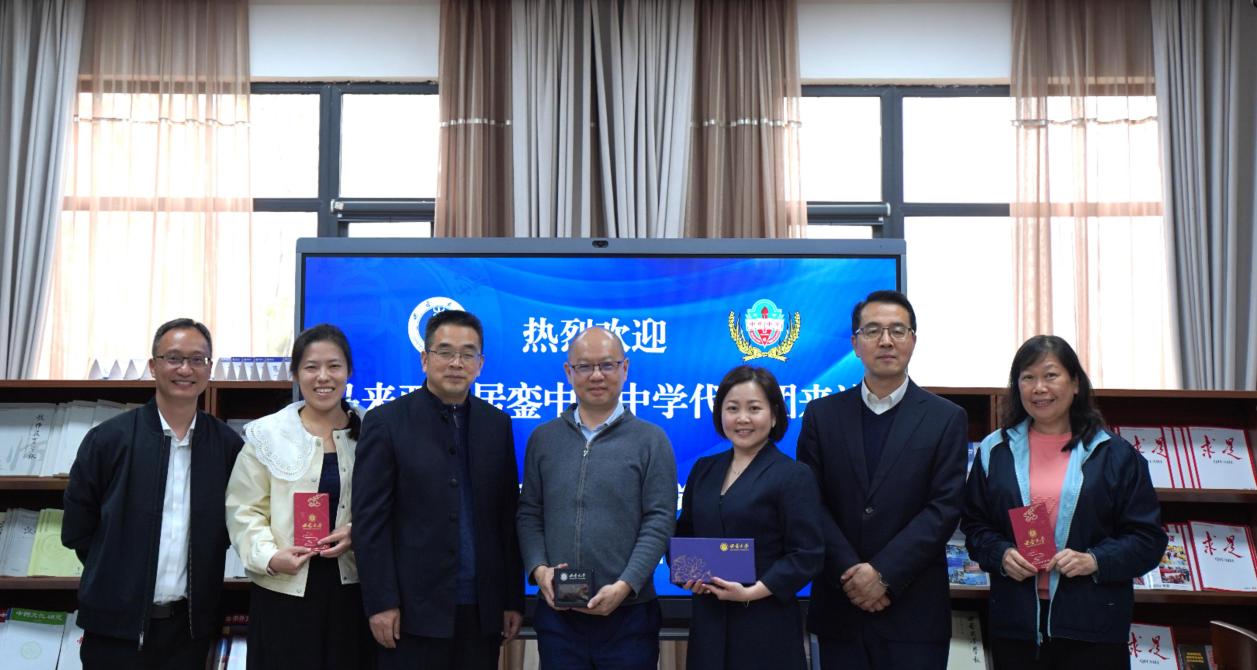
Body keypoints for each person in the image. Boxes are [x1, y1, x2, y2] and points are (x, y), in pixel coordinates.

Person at [960, 335, 1167, 669]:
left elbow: (1148, 539)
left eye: (1051, 375)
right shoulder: (994, 450)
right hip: (1016, 626)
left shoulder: (1114, 454)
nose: (1039, 388)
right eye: (1028, 377)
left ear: (1075, 384)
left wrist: (1094, 560)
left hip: (1092, 626)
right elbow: (975, 526)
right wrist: (1001, 554)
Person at [797, 289, 968, 670]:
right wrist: (853, 576)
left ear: (913, 340)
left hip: (913, 611)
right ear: (855, 344)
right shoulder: (822, 415)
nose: (886, 340)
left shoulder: (946, 418)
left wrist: (883, 574)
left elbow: (944, 508)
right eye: (873, 330)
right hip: (841, 607)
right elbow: (810, 503)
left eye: (897, 330)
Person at [62, 318, 243, 669]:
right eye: (173, 358)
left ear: (209, 368)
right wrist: (118, 573)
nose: (185, 369)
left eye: (197, 359)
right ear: (153, 365)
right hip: (114, 630)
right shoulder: (109, 439)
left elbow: (228, 527)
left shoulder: (226, 445)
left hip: (188, 632)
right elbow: (78, 530)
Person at [352, 309, 523, 670]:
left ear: (480, 364)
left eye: (467, 354)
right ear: (425, 359)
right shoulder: (386, 422)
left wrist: (512, 599)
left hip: (481, 611)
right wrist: (381, 602)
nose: (456, 363)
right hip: (411, 613)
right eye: (445, 352)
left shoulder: (497, 424)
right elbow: (370, 523)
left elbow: (507, 519)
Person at [518, 326, 677, 669]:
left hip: (630, 617)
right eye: (584, 366)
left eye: (607, 365)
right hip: (558, 618)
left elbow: (660, 520)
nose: (596, 375)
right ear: (568, 371)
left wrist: (626, 584)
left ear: (625, 368)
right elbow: (529, 512)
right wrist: (539, 570)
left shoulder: (651, 441)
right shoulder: (543, 439)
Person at [225, 324, 373, 669]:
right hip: (283, 589)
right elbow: (243, 509)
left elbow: (389, 505)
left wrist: (358, 531)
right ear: (295, 374)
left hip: (354, 590)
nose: (323, 377)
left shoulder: (372, 430)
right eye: (311, 367)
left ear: (349, 371)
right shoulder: (266, 434)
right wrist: (270, 556)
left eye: (334, 366)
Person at [674, 365, 824, 670]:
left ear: (774, 415)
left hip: (765, 622)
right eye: (732, 408)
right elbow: (684, 533)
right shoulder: (704, 469)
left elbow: (807, 555)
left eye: (754, 408)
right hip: (709, 621)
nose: (742, 418)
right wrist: (689, 575)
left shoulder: (793, 475)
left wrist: (750, 593)